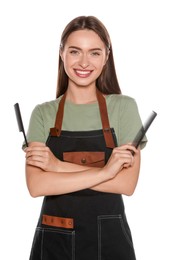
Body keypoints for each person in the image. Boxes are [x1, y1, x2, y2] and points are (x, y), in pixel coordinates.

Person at [24, 15, 147, 260]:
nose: (83, 62)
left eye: (94, 53)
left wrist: (57, 167)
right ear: (61, 54)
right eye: (74, 51)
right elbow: (37, 185)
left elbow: (126, 184)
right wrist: (105, 173)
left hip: (111, 241)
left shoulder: (123, 108)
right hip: (54, 240)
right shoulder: (43, 113)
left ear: (106, 57)